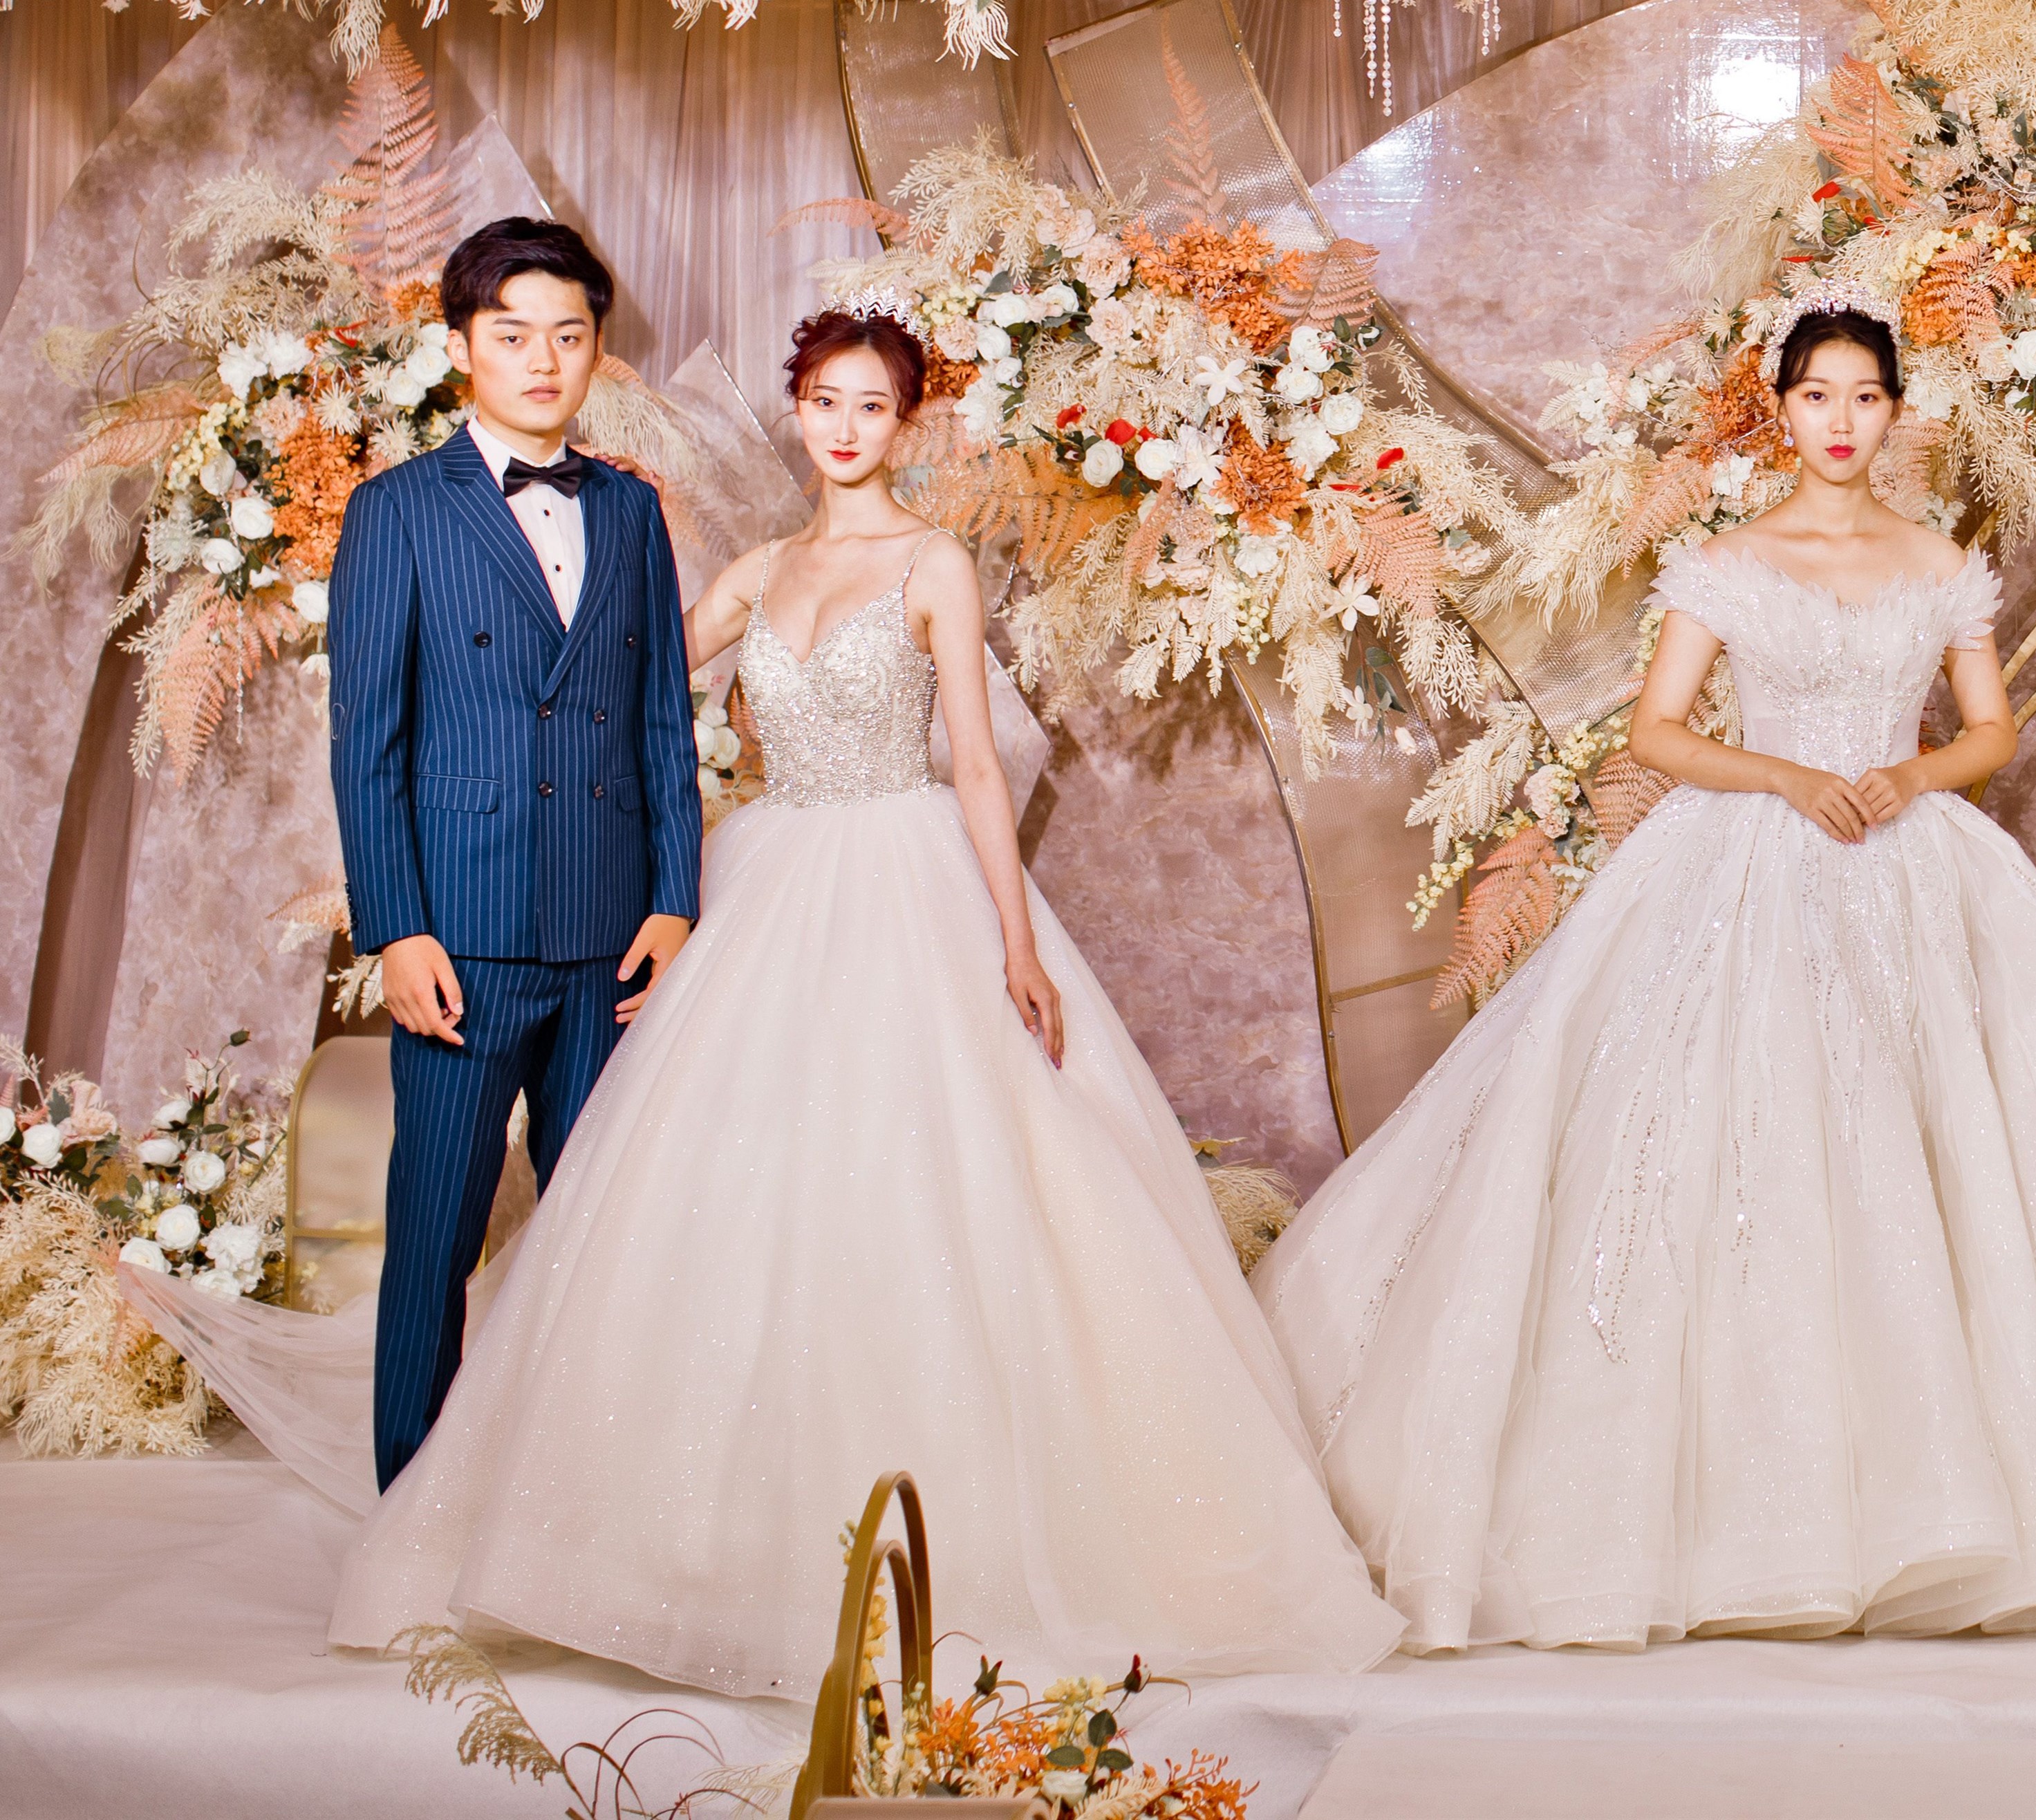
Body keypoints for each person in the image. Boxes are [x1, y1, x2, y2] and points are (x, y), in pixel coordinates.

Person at [326, 309, 1403, 1695]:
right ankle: (685, 1548)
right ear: (798, 412)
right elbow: (608, 689)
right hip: (766, 878)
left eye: (872, 406)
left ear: (908, 424)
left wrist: (1015, 939)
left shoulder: (933, 562)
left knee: (923, 1179)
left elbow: (974, 766)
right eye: (825, 401)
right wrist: (453, 739)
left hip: (906, 876)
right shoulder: (757, 570)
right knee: (728, 1195)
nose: (844, 427)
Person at [1253, 304, 2036, 1652]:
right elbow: (1659, 731)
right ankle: (1730, 1510)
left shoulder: (1942, 563)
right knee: (1731, 1136)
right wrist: (1786, 777)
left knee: (1923, 1143)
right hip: (1749, 860)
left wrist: (1909, 773)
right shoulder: (1724, 562)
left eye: (1865, 396)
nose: (1841, 419)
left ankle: (1934, 1498)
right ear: (1782, 411)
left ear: (1896, 412)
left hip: (1906, 864)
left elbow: (1991, 731)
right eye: (1817, 395)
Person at [326, 219, 700, 1490]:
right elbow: (367, 744)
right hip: (462, 938)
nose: (543, 360)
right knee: (435, 1233)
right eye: (512, 334)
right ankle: (408, 1510)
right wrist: (397, 928)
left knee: (600, 1241)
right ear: (460, 347)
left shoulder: (633, 510)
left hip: (611, 936)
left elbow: (663, 722)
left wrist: (675, 899)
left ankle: (579, 1505)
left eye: (568, 335)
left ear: (597, 351)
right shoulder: (395, 512)